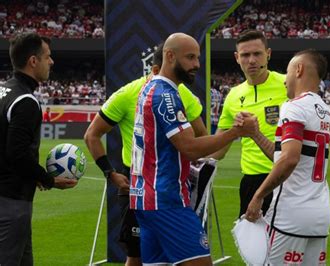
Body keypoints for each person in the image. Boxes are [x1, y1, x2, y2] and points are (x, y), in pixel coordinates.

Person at [130, 33, 254, 266]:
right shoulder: (166, 96)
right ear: (169, 56)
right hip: (167, 201)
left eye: (197, 57)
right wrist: (236, 132)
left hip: (145, 200)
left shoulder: (148, 89)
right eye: (190, 57)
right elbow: (190, 147)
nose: (196, 64)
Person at [84, 43, 206, 266]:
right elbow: (92, 134)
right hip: (136, 182)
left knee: (175, 258)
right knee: (137, 257)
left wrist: (191, 154)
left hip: (172, 185)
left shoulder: (182, 93)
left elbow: (202, 135)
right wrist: (109, 173)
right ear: (159, 65)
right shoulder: (127, 93)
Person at [244, 49, 330, 265]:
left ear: (299, 69)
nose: (285, 80)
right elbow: (286, 156)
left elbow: (290, 159)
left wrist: (258, 195)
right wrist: (255, 133)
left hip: (291, 214)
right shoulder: (325, 110)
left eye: (288, 71)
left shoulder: (294, 106)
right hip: (319, 215)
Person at [0, 33, 77, 265]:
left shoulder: (4, 90)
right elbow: (18, 154)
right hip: (11, 201)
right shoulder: (25, 101)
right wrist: (49, 180)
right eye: (48, 57)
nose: (51, 62)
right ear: (33, 61)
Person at [211, 30, 287, 217]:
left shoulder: (288, 84)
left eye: (257, 54)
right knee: (251, 245)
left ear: (268, 54)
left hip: (286, 178)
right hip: (251, 181)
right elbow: (218, 151)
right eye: (245, 55)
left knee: (285, 246)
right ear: (237, 58)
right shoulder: (233, 96)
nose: (251, 60)